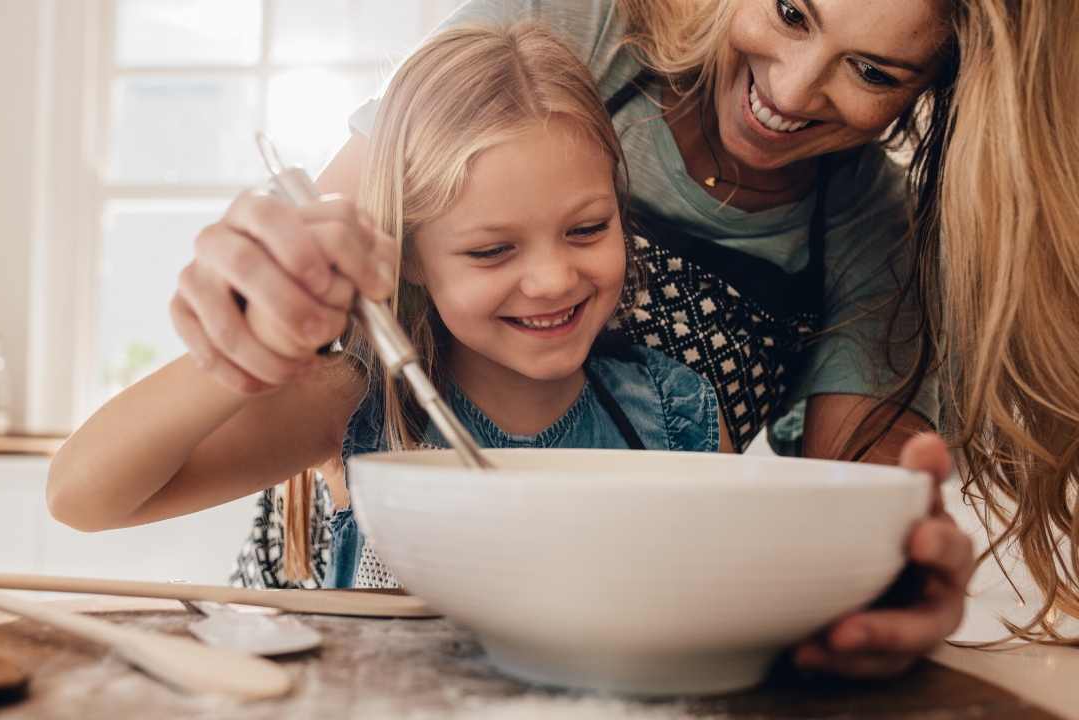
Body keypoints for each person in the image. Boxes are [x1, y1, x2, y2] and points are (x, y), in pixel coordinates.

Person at [167, 0, 1079, 673]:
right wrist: (262, 300)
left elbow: (844, 522)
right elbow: (334, 263)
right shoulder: (569, 29)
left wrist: (877, 581)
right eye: (792, 12)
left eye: (875, 71)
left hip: (609, 642)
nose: (793, 94)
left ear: (941, 89)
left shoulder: (881, 242)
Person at [49, 22, 731, 593]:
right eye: (493, 251)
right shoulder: (359, 406)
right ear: (410, 256)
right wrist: (254, 346)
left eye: (586, 230)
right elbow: (82, 496)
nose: (552, 279)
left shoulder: (677, 416)